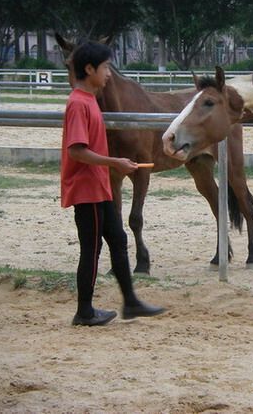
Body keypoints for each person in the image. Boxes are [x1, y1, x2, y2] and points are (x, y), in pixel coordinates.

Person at [61, 40, 165, 326]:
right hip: (86, 189)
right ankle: (84, 311)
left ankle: (130, 301)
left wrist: (114, 165)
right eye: (106, 67)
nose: (109, 73)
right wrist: (115, 163)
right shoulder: (78, 104)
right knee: (91, 250)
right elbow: (76, 150)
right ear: (89, 68)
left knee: (117, 240)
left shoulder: (91, 102)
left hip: (99, 185)